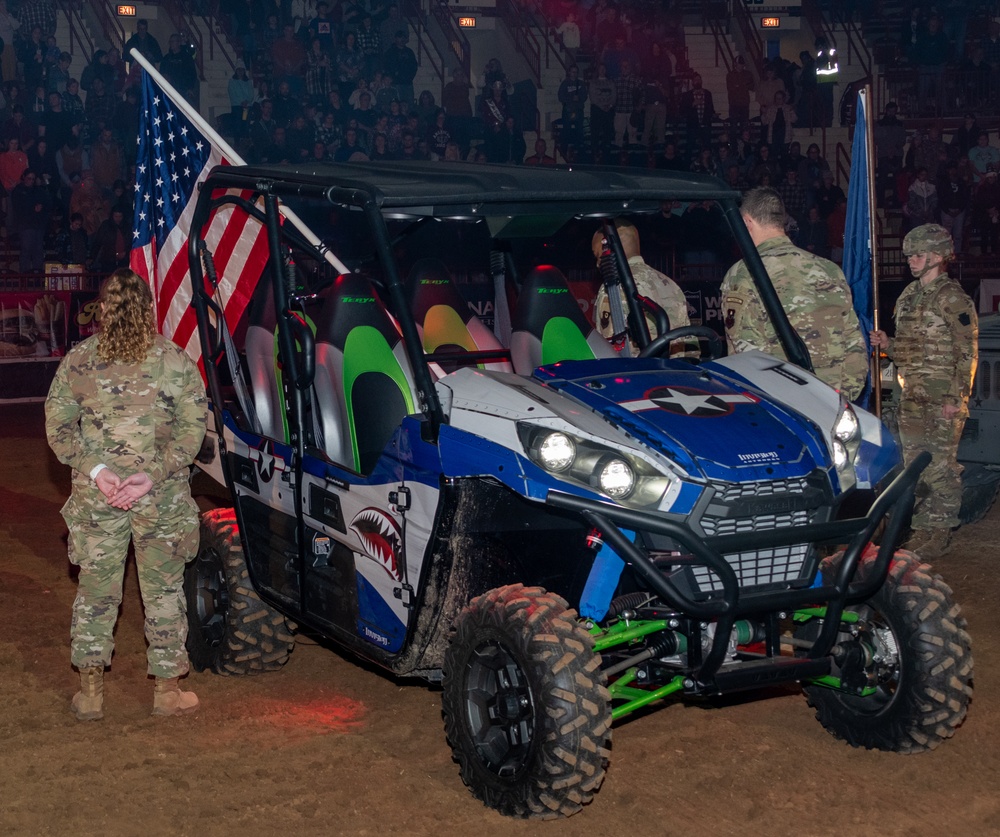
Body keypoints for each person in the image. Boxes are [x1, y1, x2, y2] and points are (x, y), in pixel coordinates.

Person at [44, 269, 207, 720]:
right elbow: (193, 435)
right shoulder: (175, 361)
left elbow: (57, 429)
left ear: (104, 309)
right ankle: (168, 691)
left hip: (100, 497)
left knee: (97, 590)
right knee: (163, 590)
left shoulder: (79, 361)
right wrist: (150, 474)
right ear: (148, 308)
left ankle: (92, 694)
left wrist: (97, 470)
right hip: (161, 497)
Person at [870, 225, 977, 558]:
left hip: (941, 397)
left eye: (917, 255)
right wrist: (889, 344)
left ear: (938, 255)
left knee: (941, 466)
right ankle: (921, 529)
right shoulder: (908, 295)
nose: (911, 261)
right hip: (912, 395)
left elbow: (967, 350)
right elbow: (910, 350)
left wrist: (956, 397)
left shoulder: (951, 297)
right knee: (915, 465)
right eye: (909, 256)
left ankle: (939, 531)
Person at [720, 186, 868, 399]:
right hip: (832, 402)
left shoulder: (743, 274)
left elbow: (744, 352)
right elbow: (854, 340)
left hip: (780, 405)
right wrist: (843, 398)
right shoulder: (829, 269)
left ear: (746, 222)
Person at [591, 220, 690, 357]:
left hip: (636, 374)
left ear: (608, 247)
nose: (597, 264)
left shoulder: (614, 287)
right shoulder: (670, 284)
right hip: (673, 374)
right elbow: (689, 346)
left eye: (597, 256)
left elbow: (610, 349)